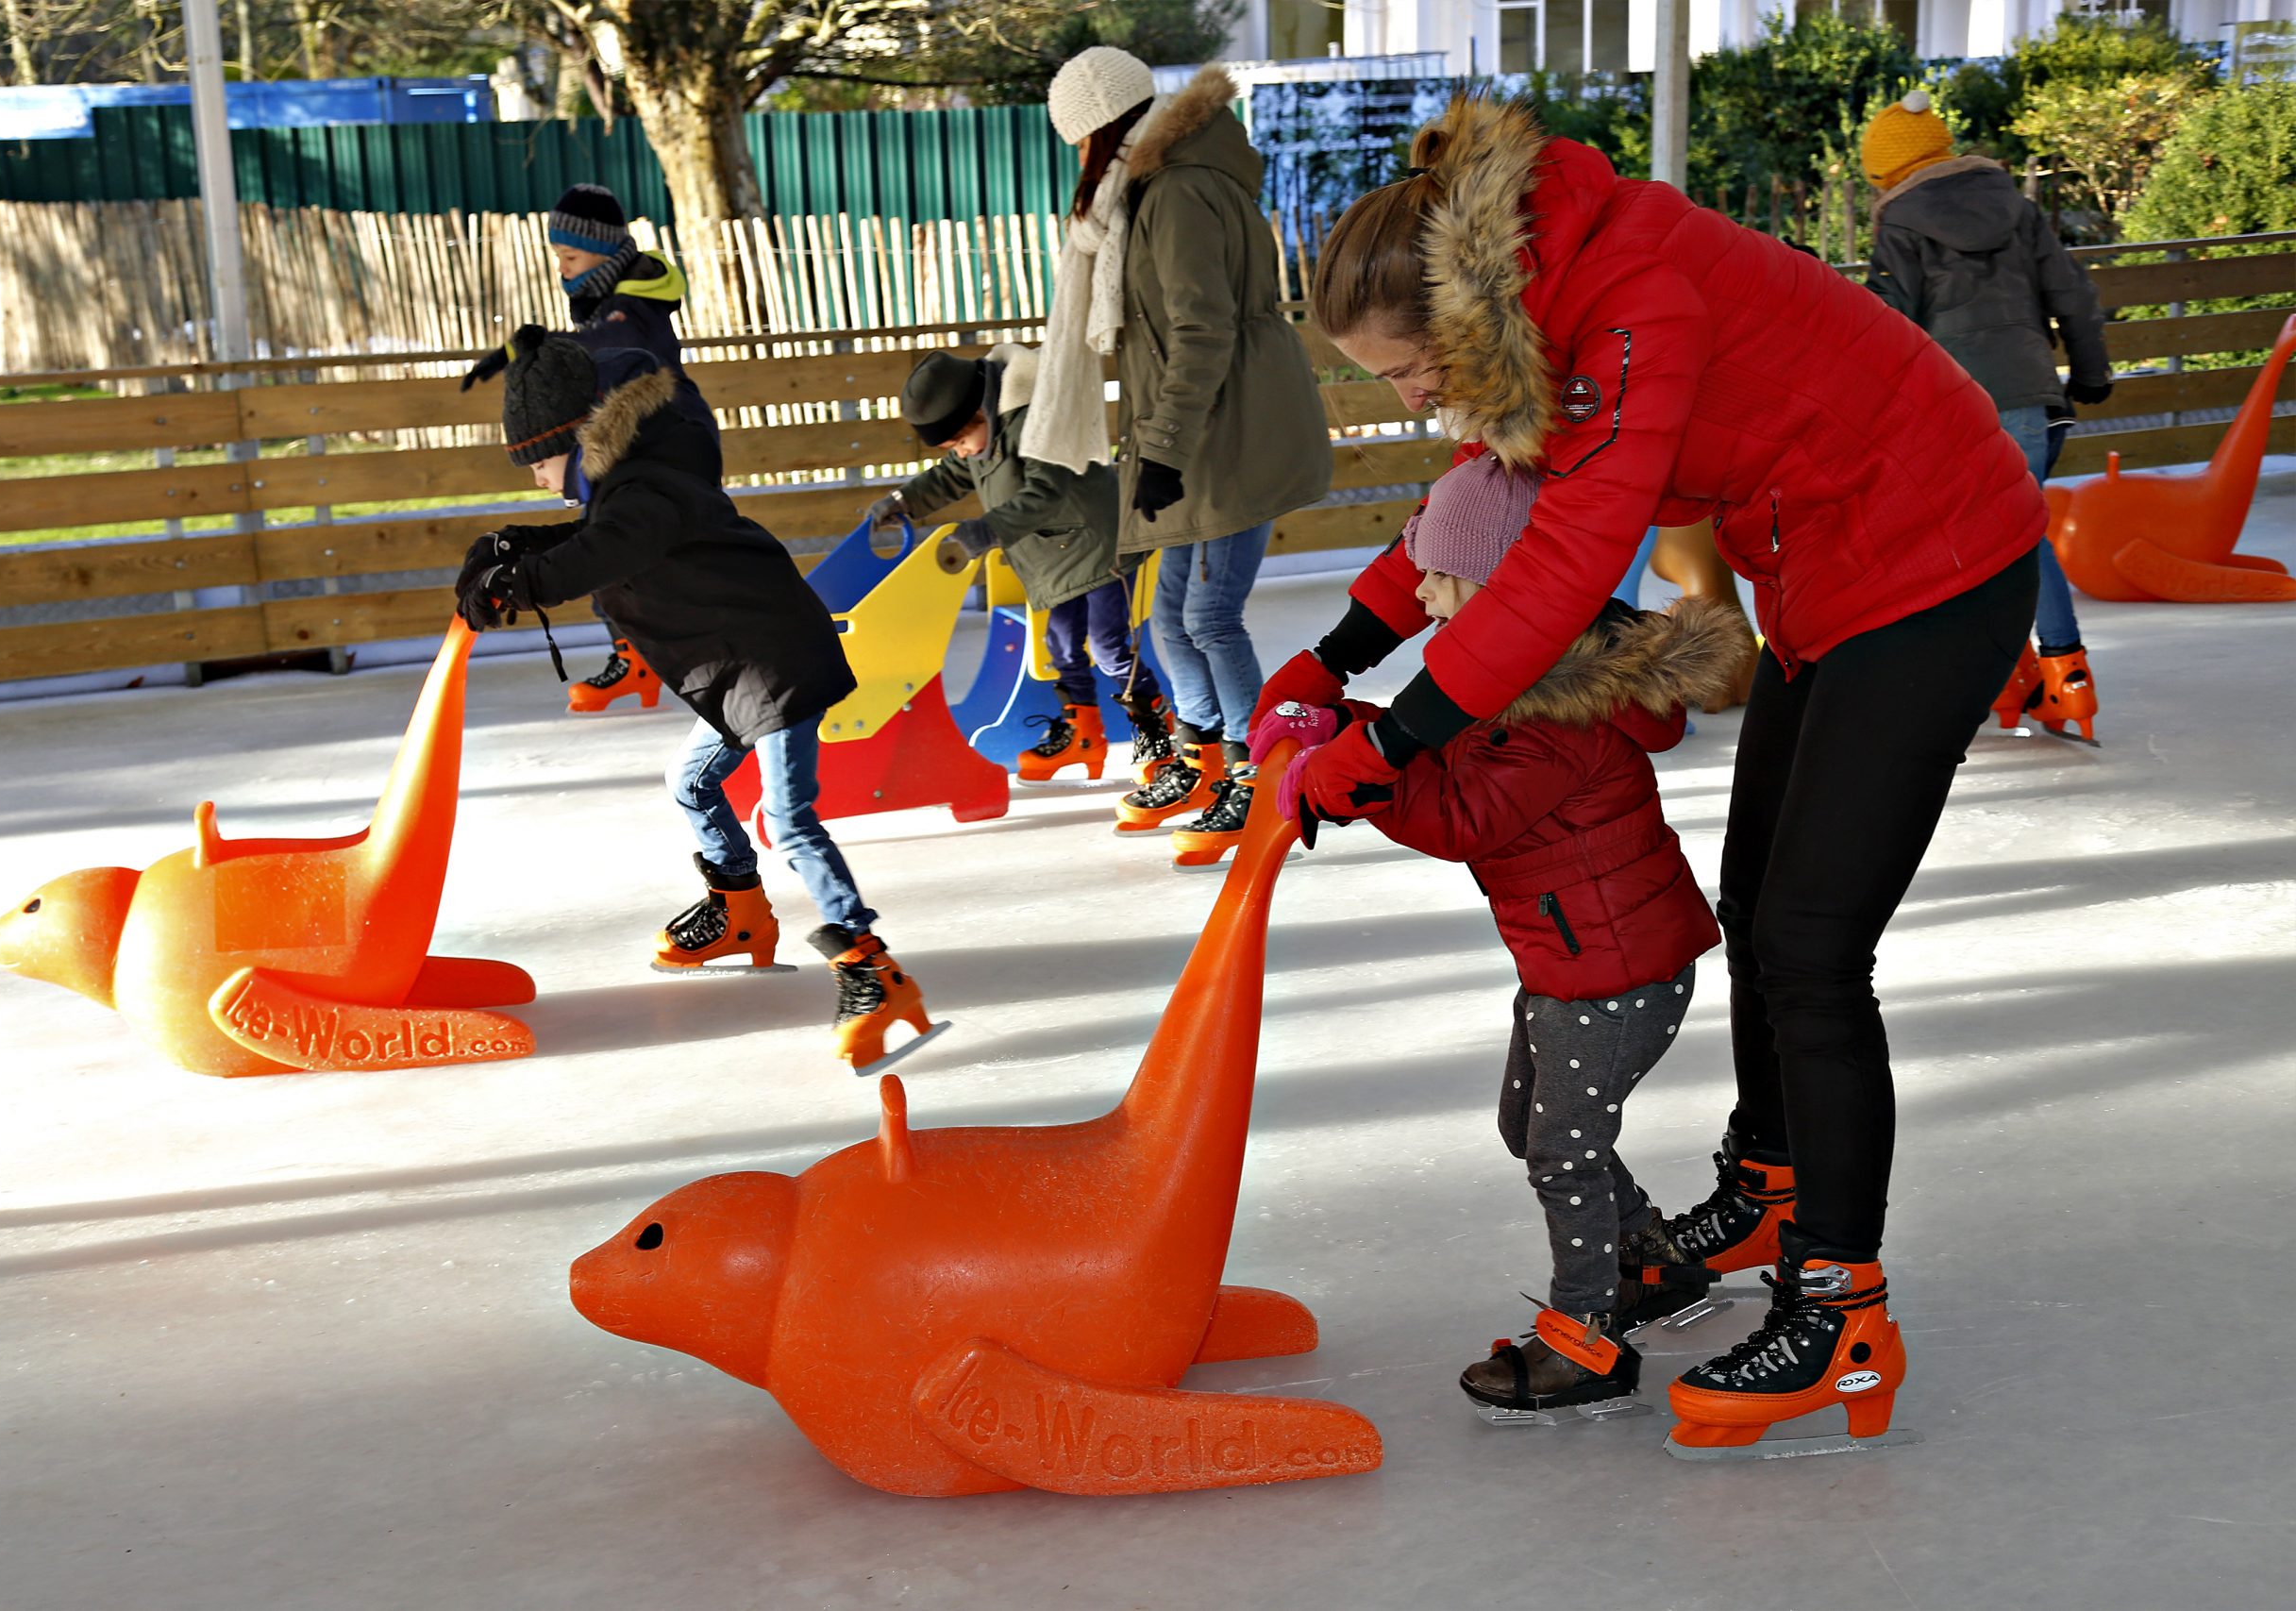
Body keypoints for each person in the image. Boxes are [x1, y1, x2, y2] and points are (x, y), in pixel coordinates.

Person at [1263, 95, 2043, 1455]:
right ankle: (1772, 1183)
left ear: (1461, 315)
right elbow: (1475, 498)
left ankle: (1840, 1308)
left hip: (1933, 557)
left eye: (1410, 369)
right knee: (1758, 907)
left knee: (1811, 948)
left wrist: (1387, 743)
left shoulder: (1628, 300)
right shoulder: (1532, 306)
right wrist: (1333, 661)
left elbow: (1563, 561)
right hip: (1821, 565)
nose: (1412, 399)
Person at [1268, 456, 1742, 1420]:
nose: (1423, 596)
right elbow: (1439, 751)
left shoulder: (1559, 702)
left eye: (1440, 576)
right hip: (1577, 957)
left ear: (1503, 585)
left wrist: (1354, 777)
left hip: (1611, 972)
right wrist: (1345, 724)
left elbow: (1463, 814)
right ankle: (1647, 1263)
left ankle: (1586, 1336)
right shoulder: (1512, 673)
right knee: (1531, 1126)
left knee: (1562, 1150)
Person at [454, 327, 931, 1075]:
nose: (539, 480)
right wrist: (512, 544)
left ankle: (873, 971)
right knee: (691, 782)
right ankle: (741, 915)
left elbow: (599, 553)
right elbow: (594, 538)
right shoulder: (630, 487)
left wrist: (522, 580)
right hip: (742, 669)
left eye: (540, 463)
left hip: (774, 664)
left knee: (791, 821)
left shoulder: (645, 493)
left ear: (574, 442)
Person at [1035, 48, 1332, 857]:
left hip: (1227, 432)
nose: (1080, 161)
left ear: (1104, 129)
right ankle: (1202, 760)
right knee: (1169, 615)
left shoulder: (1176, 192)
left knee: (1208, 615)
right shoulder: (1154, 189)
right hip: (1199, 427)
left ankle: (1256, 776)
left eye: (1080, 142)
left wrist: (1162, 451)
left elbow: (1202, 331)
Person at [1863, 89, 2113, 744]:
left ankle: (2028, 672)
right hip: (2033, 399)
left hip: (1954, 408)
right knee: (2019, 532)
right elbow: (2073, 295)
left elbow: (1887, 322)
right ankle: (2048, 674)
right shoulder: (2015, 208)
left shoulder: (1900, 223)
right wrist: (2090, 374)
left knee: (1973, 545)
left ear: (1888, 173)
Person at [866, 345, 1172, 783]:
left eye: (960, 442)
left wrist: (988, 529)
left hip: (1099, 545)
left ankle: (1156, 732)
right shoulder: (983, 436)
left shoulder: (1037, 420)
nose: (961, 454)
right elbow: (951, 475)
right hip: (1055, 554)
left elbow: (1047, 493)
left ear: (980, 413)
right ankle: (1084, 735)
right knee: (1061, 644)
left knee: (1108, 646)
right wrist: (903, 501)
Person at [540, 182, 712, 713]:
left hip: (660, 447)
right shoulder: (608, 300)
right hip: (634, 444)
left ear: (603, 251)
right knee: (611, 554)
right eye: (558, 257)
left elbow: (618, 363)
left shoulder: (629, 310)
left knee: (630, 553)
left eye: (571, 256)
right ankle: (635, 659)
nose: (562, 269)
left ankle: (685, 655)